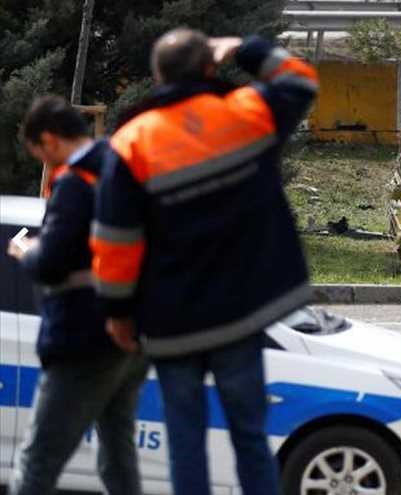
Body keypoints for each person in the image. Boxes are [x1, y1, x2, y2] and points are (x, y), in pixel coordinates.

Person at [90, 29, 318, 495]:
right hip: (240, 314)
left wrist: (117, 312)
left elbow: (116, 240)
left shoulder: (133, 142)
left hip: (172, 325)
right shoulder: (247, 115)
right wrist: (244, 48)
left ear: (158, 75)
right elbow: (299, 80)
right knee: (251, 437)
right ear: (211, 67)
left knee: (185, 442)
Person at [6, 96, 148, 495]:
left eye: (39, 154)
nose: (45, 164)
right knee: (118, 453)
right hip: (133, 332)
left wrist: (26, 251)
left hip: (83, 336)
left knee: (38, 459)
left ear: (48, 140)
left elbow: (52, 264)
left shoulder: (75, 182)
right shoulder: (123, 169)